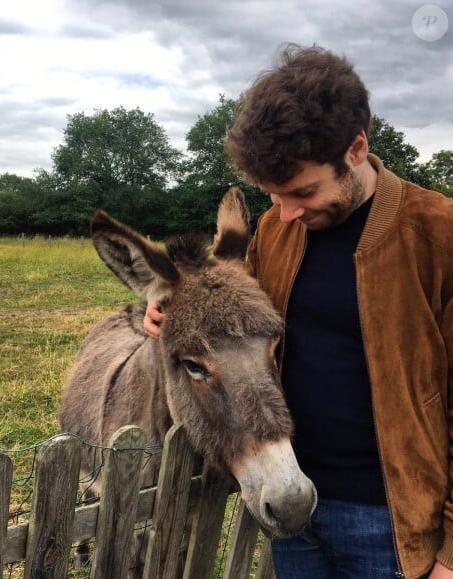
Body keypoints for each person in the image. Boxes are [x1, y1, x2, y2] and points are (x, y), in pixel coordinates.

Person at [144, 44, 453, 578]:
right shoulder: (276, 229)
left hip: (395, 525)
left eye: (302, 191)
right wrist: (169, 307)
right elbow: (232, 320)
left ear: (356, 148)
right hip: (291, 498)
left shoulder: (439, 235)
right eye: (272, 196)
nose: (285, 212)